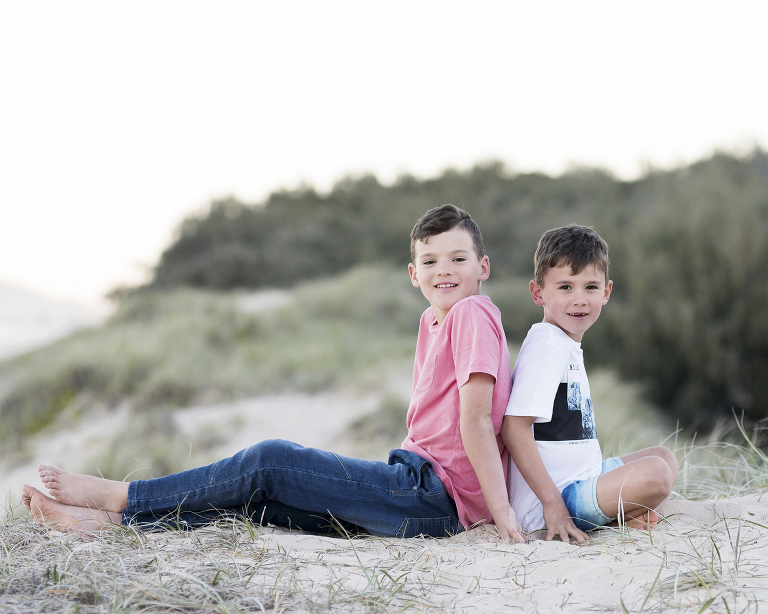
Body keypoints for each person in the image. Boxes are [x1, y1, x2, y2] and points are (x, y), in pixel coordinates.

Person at [23, 204, 525, 544]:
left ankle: (121, 494)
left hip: (435, 496)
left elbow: (478, 421)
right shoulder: (433, 319)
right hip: (420, 492)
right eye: (431, 260)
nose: (445, 270)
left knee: (269, 462)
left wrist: (499, 512)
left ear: (482, 265)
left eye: (458, 258)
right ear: (413, 274)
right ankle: (108, 524)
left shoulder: (472, 315)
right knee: (258, 500)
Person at [501, 224, 678, 544]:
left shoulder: (564, 343)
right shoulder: (548, 345)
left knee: (663, 457)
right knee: (656, 473)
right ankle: (621, 514)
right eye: (565, 287)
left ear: (606, 292)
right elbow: (514, 428)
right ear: (538, 292)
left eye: (590, 287)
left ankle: (625, 511)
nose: (579, 299)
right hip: (554, 501)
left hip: (584, 478)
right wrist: (552, 505)